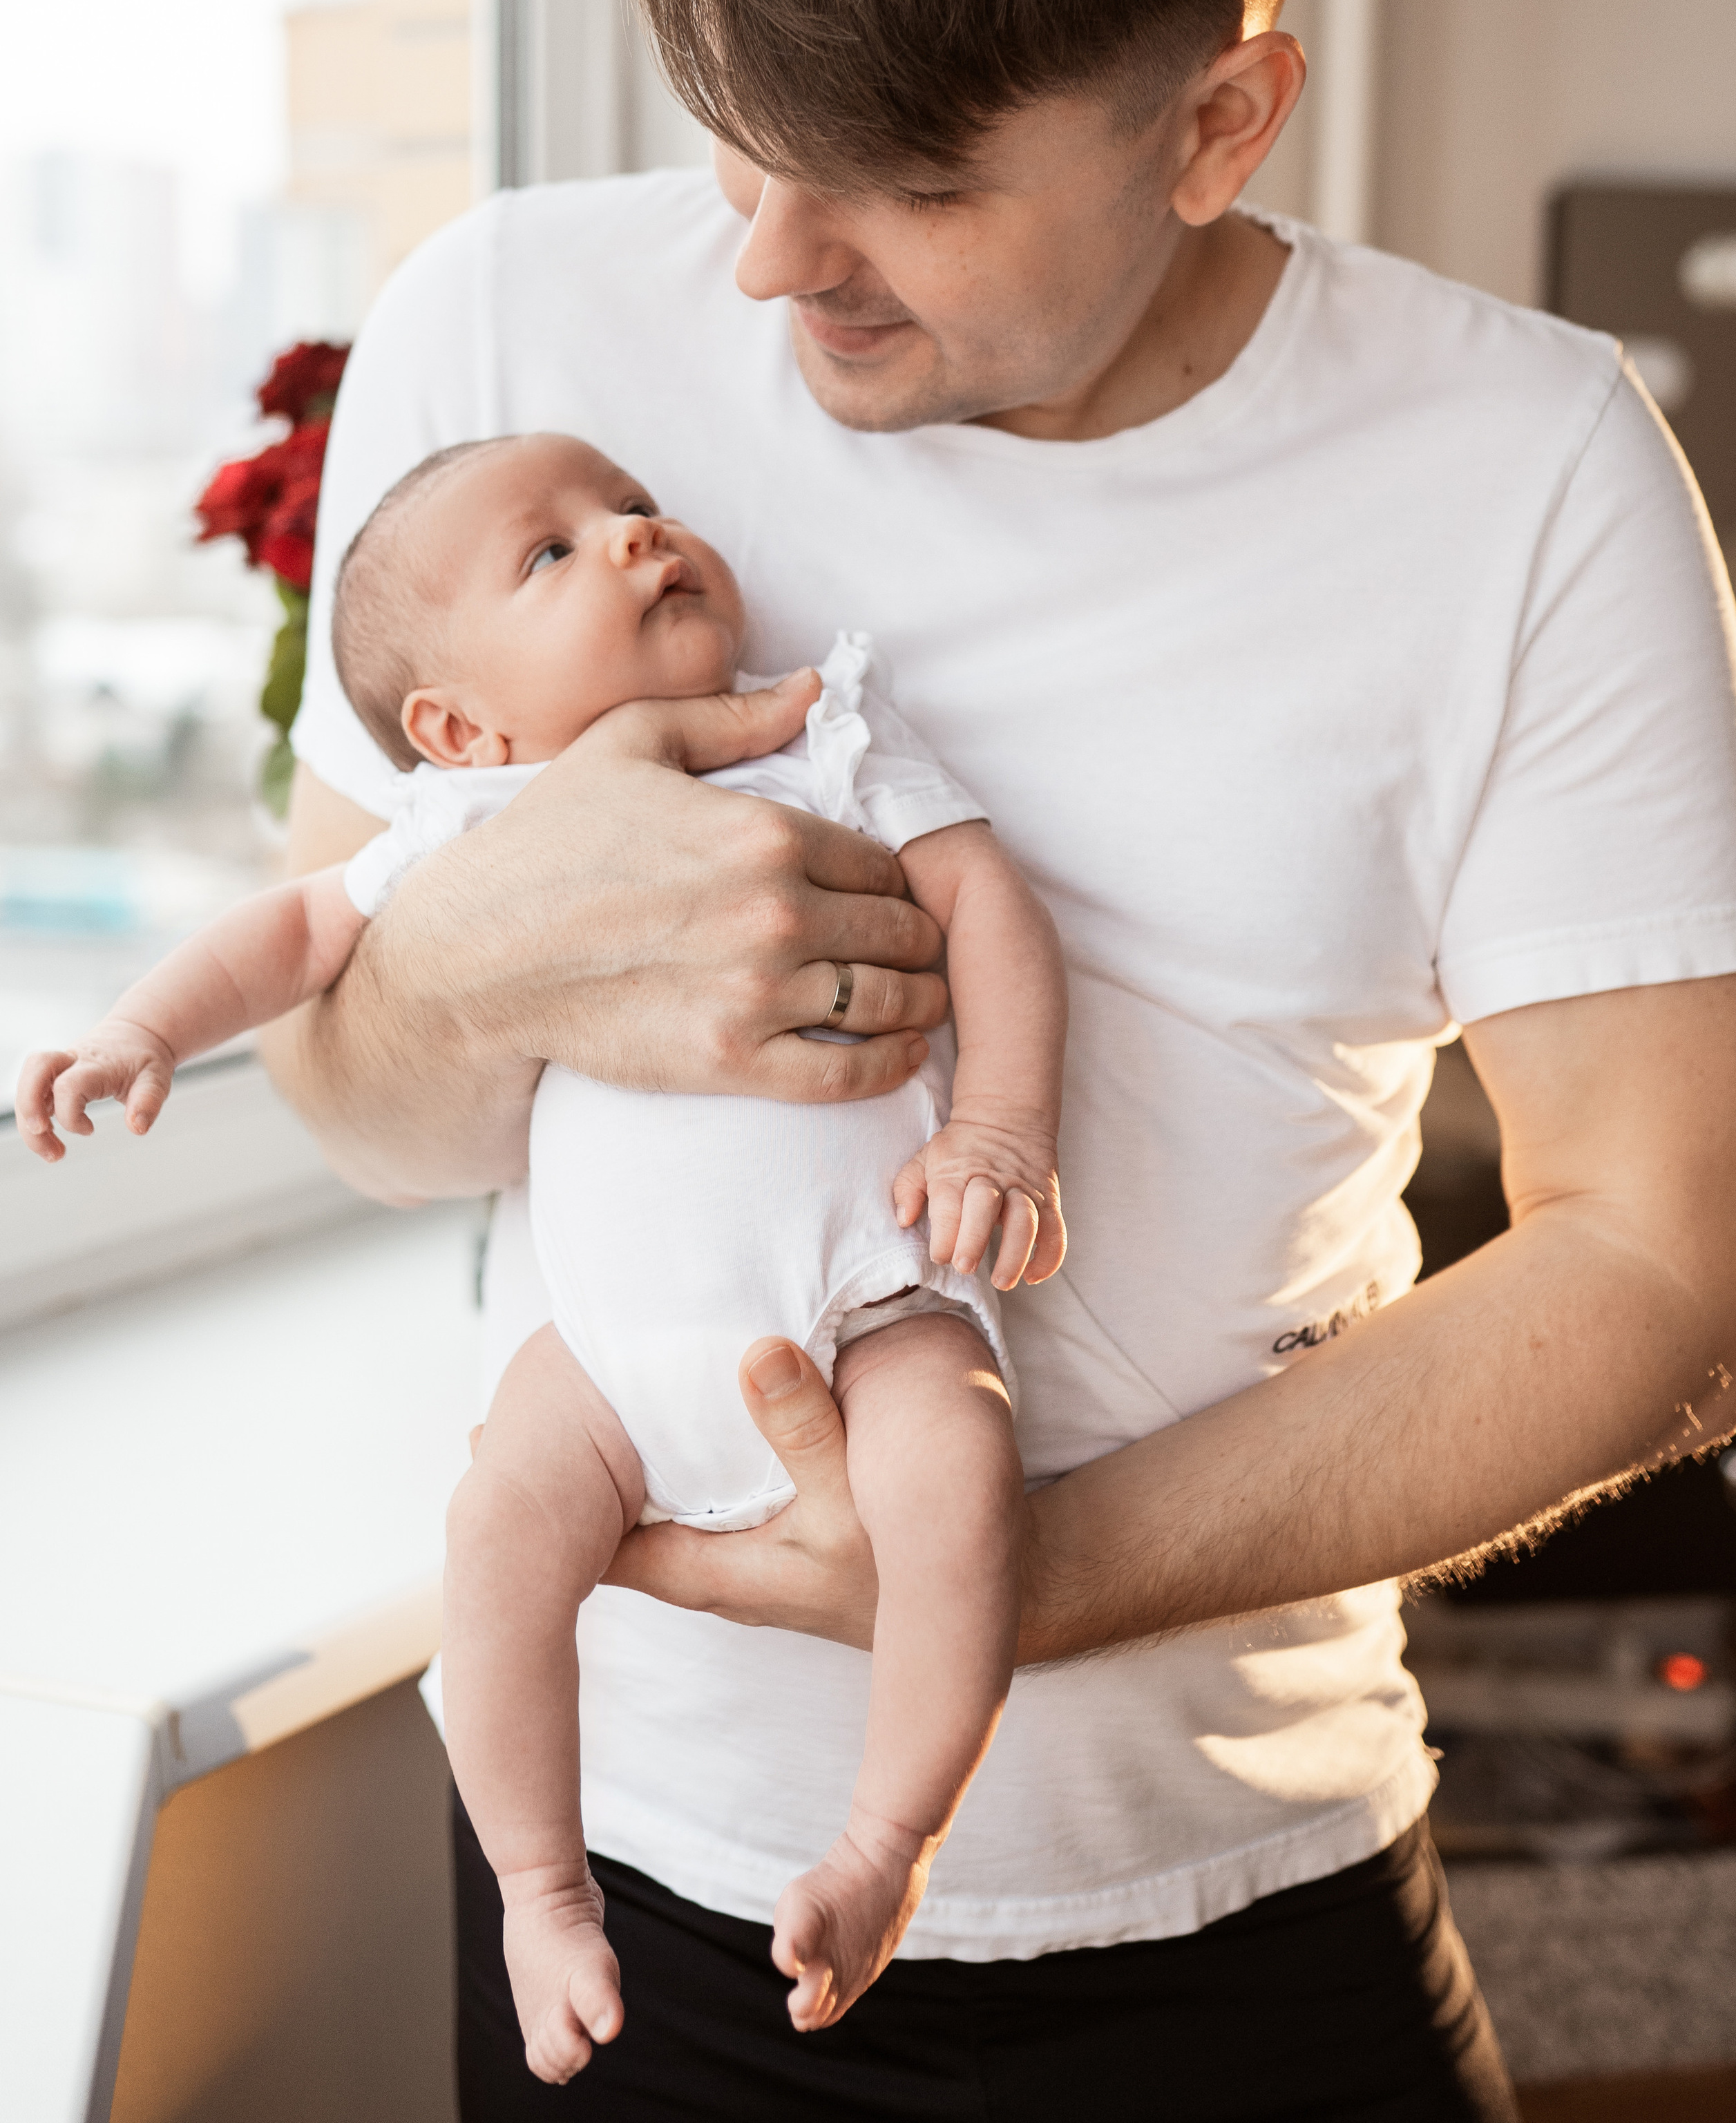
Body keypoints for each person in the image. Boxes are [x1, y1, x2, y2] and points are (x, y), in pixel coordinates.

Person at [262, 0, 1736, 2123]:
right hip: (621, 1938)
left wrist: (1007, 1577)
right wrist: (507, 952)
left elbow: (1670, 1270)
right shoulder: (504, 337)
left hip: (1236, 1927)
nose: (769, 266)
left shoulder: (1528, 473)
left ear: (1220, 121)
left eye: (913, 184)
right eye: (736, 137)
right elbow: (349, 1096)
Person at [18, 429, 1069, 2069]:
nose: (634, 537)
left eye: (633, 508)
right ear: (457, 730)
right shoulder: (475, 824)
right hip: (605, 1361)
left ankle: (884, 1840)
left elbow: (988, 904)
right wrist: (144, 1028)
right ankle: (538, 1887)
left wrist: (997, 1127)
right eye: (551, 553)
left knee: (957, 1480)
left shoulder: (818, 731)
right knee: (497, 1538)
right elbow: (296, 930)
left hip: (870, 1298)